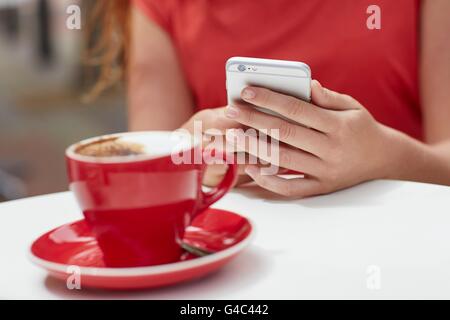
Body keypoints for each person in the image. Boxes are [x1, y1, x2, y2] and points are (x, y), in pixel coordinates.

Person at [89, 0, 450, 198]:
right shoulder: (157, 6)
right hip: (242, 262)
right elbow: (147, 172)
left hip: (398, 238)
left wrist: (384, 158)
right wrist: (188, 151)